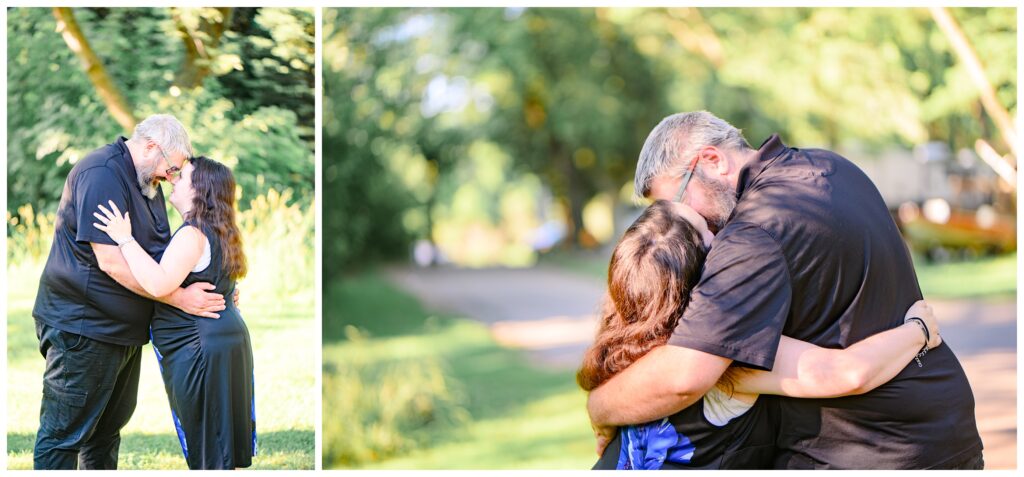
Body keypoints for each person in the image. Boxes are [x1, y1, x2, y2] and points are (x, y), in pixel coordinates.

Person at [586, 111, 983, 469]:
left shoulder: (752, 233)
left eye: (677, 201)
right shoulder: (831, 166)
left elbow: (684, 376)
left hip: (867, 451)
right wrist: (919, 330)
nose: (683, 218)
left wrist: (599, 407)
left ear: (712, 160)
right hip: (946, 426)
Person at [579, 200, 941, 469]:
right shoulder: (722, 355)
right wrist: (919, 330)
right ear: (701, 275)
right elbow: (845, 372)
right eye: (710, 231)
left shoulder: (620, 345)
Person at [32, 115, 229, 470]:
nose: (171, 179)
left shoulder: (147, 182)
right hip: (83, 328)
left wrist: (222, 291)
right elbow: (111, 261)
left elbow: (158, 256)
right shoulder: (101, 174)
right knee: (63, 435)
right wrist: (179, 298)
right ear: (151, 147)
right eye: (172, 170)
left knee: (106, 432)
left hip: (122, 332)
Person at [93, 155, 256, 470]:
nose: (173, 180)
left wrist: (123, 238)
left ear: (200, 190)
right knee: (222, 451)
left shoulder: (192, 234)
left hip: (201, 347)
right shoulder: (222, 230)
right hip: (226, 339)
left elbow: (156, 283)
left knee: (210, 452)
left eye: (183, 177)